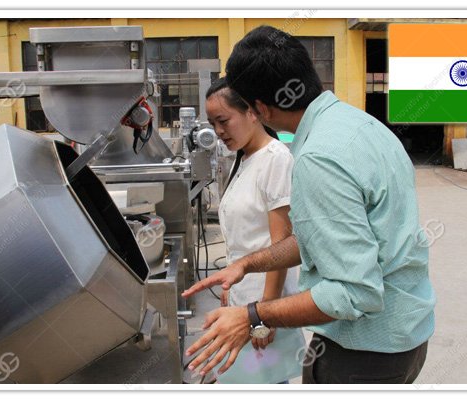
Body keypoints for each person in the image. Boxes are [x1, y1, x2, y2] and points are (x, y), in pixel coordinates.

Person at [182, 25, 436, 384]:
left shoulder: (318, 159)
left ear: (258, 109)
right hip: (405, 337)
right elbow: (323, 237)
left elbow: (353, 293)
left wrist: (252, 316)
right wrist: (247, 264)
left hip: (364, 353)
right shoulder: (362, 125)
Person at [204, 77, 303, 383]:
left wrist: (265, 313)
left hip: (264, 304)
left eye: (223, 120)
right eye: (213, 123)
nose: (219, 131)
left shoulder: (275, 160)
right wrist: (230, 289)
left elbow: (281, 244)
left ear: (251, 112)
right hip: (244, 299)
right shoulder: (244, 158)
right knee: (244, 380)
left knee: (265, 381)